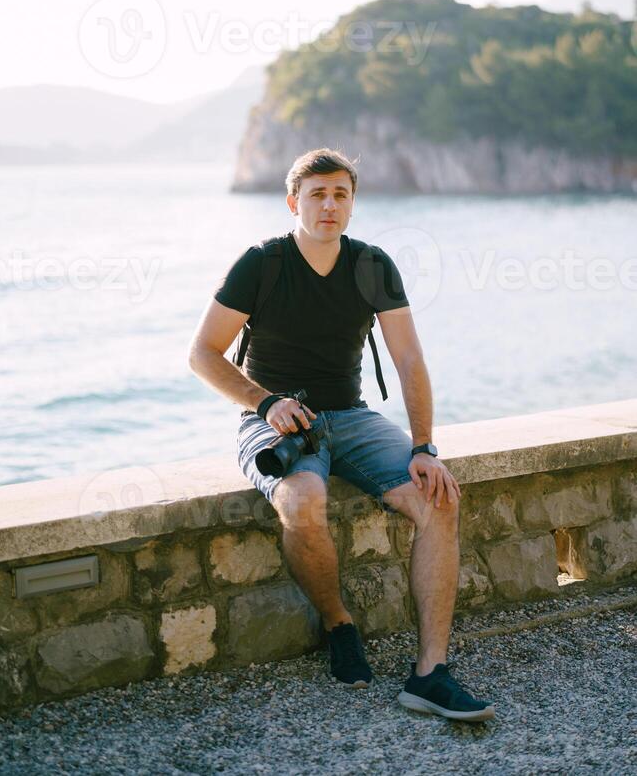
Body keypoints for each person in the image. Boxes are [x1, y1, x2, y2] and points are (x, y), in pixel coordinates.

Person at [188, 147, 494, 723]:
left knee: (438, 498)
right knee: (303, 501)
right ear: (293, 201)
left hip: (350, 417)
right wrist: (265, 400)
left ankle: (430, 674)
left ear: (353, 203)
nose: (329, 205)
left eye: (340, 194)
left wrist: (425, 447)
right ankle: (337, 622)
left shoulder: (371, 265)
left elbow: (408, 359)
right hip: (271, 417)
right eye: (317, 194)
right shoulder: (261, 263)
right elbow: (202, 354)